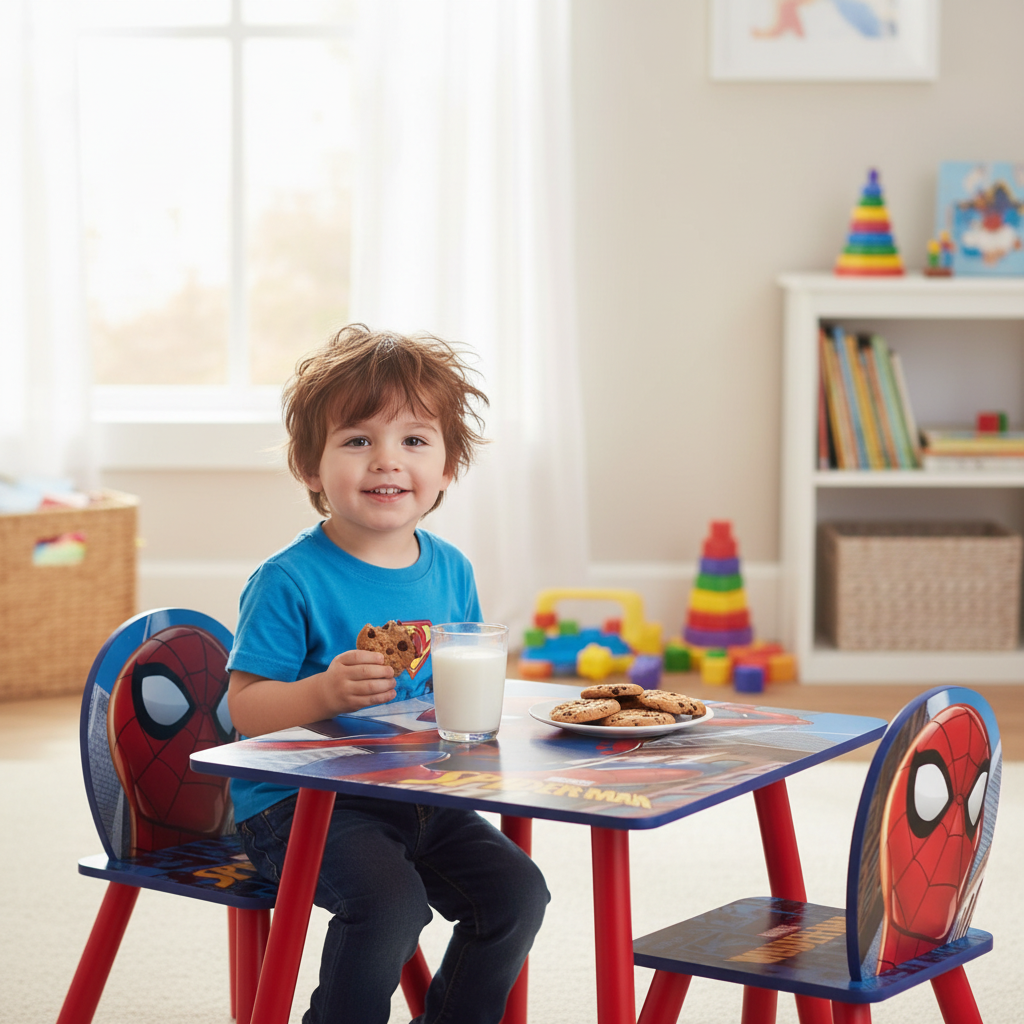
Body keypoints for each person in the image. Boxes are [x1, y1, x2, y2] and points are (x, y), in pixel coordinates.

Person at [227, 324, 549, 1024]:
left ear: (448, 467)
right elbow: (242, 711)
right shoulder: (289, 580)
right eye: (356, 440)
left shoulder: (451, 570)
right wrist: (322, 694)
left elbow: (453, 693)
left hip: (417, 794)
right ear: (310, 468)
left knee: (517, 895)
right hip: (299, 808)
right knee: (390, 906)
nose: (386, 461)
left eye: (413, 440)